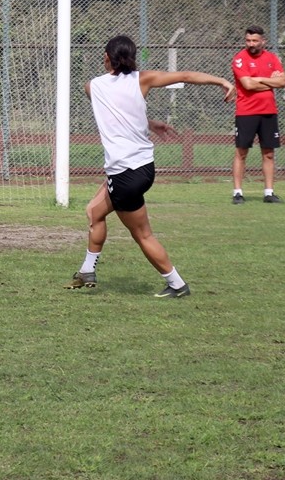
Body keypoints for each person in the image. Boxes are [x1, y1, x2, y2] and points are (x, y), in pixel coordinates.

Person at [65, 35, 233, 298]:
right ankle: (87, 270)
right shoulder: (143, 79)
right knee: (94, 212)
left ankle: (177, 284)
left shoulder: (92, 86)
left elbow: (113, 110)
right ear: (132, 57)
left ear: (107, 57)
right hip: (143, 168)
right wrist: (222, 81)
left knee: (142, 234)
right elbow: (185, 76)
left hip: (123, 173)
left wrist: (144, 122)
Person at [231, 25, 285, 204]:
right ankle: (237, 193)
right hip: (246, 112)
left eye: (255, 41)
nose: (251, 44)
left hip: (269, 111)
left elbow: (283, 82)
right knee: (241, 152)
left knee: (269, 153)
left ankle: (269, 193)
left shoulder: (272, 58)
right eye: (248, 40)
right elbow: (248, 85)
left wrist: (260, 79)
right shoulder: (240, 59)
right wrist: (271, 82)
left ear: (263, 41)